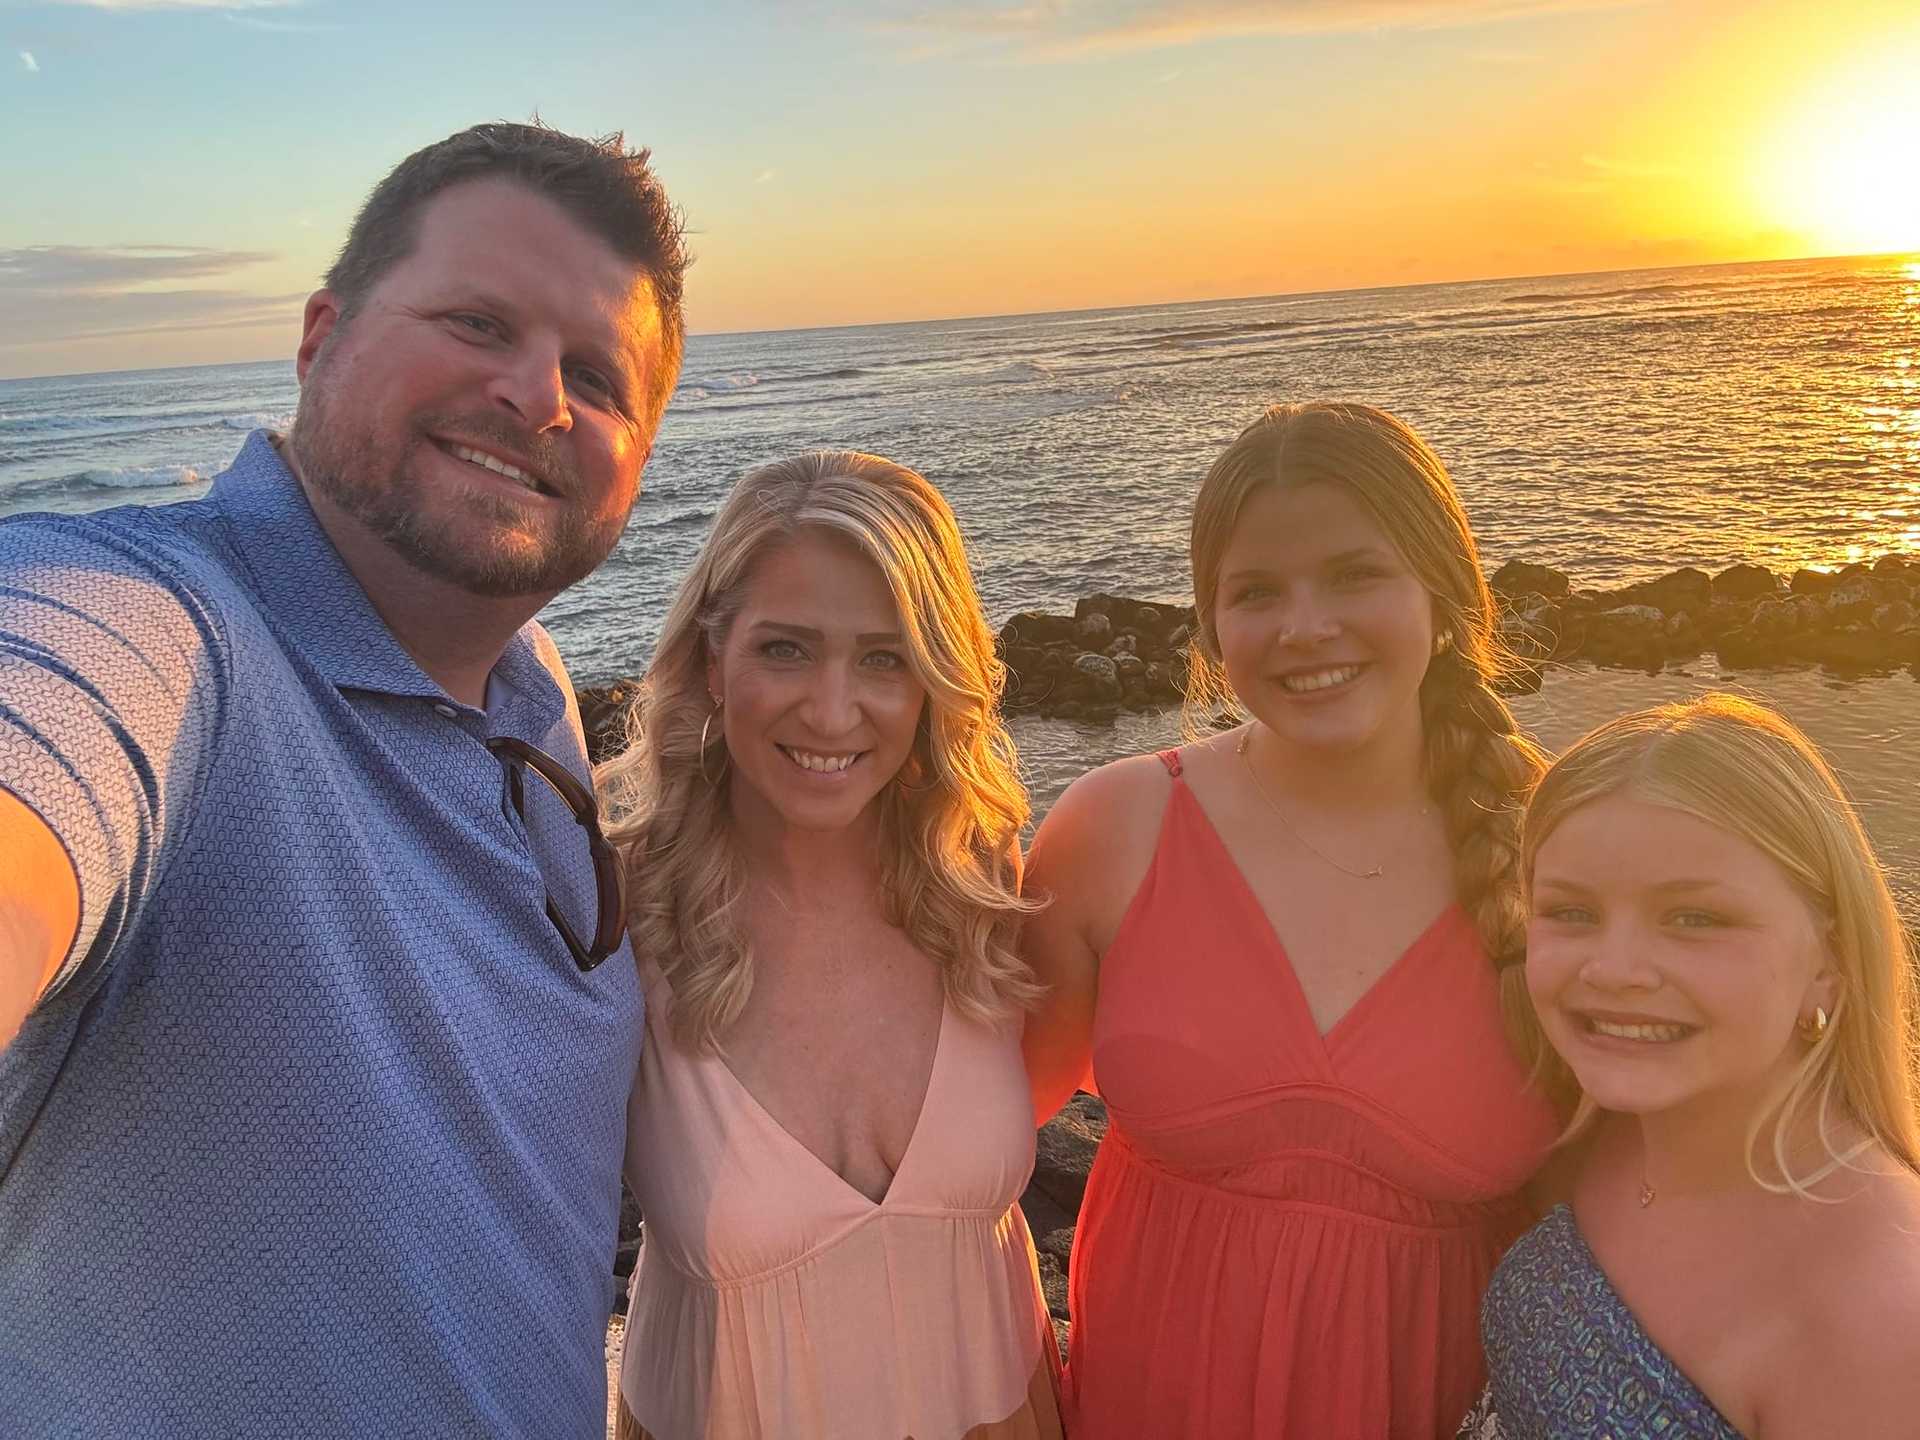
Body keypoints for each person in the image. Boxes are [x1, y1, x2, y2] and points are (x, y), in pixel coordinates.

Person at [0, 122, 688, 1436]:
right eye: (479, 321)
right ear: (322, 335)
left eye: (597, 378)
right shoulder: (152, 630)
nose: (539, 394)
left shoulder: (529, 686)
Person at [1021, 401, 1563, 1437]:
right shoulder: (1116, 827)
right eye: (1257, 592)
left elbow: (1662, 1186)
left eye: (1356, 575)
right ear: (1213, 625)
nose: (1305, 627)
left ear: (1444, 595)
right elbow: (974, 1140)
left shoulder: (1564, 855)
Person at [599, 451, 1062, 1440]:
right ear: (712, 660)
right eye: (786, 650)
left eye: (885, 658)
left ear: (938, 678)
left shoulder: (979, 878)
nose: (833, 710)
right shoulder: (617, 909)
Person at [1460, 695, 1920, 1439]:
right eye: (1571, 912)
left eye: (1695, 918)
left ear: (1828, 964)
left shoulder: (1884, 1321)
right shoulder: (1604, 1136)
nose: (1613, 970)